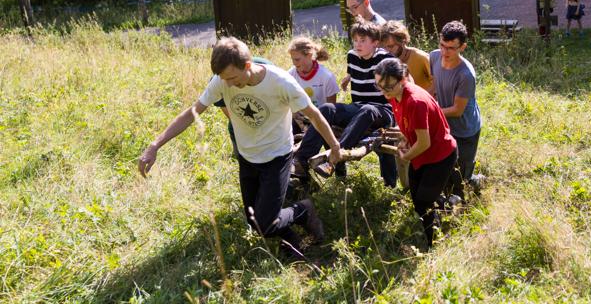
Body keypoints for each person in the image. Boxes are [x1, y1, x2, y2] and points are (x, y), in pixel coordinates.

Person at [137, 37, 342, 258]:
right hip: (247, 157)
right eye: (224, 79)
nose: (227, 85)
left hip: (276, 157)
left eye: (232, 78)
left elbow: (315, 115)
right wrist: (155, 145)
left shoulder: (281, 82)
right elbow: (192, 113)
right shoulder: (222, 81)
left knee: (264, 223)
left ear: (247, 65)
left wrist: (334, 146)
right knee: (254, 220)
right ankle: (294, 241)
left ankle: (303, 210)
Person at [296, 21, 397, 187]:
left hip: (383, 110)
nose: (358, 44)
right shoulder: (352, 55)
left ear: (375, 42)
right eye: (355, 40)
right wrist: (348, 78)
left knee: (368, 109)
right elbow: (354, 72)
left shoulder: (386, 59)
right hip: (359, 107)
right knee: (326, 108)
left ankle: (335, 157)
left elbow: (402, 81)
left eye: (363, 40)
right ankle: (301, 160)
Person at [374, 58, 457, 248]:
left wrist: (406, 156)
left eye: (388, 86)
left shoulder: (415, 101)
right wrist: (405, 139)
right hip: (421, 154)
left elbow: (425, 142)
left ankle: (434, 245)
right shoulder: (394, 95)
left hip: (439, 155)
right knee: (417, 196)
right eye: (379, 86)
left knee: (423, 203)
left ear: (403, 80)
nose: (383, 91)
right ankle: (449, 205)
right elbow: (408, 125)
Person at [430, 21, 482, 190]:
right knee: (445, 172)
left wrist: (431, 112)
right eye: (442, 45)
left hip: (465, 129)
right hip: (445, 125)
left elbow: (457, 110)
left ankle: (477, 182)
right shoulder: (434, 56)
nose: (445, 52)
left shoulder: (466, 74)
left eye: (451, 48)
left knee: (461, 178)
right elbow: (434, 85)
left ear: (462, 47)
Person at [380, 20, 433, 92]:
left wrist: (423, 96)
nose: (387, 51)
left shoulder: (420, 57)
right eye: (384, 47)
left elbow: (437, 81)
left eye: (391, 46)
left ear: (403, 41)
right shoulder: (384, 59)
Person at [287, 37, 339, 107]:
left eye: (297, 59)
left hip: (322, 114)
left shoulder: (327, 77)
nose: (294, 63)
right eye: (292, 59)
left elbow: (332, 109)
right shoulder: (290, 76)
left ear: (309, 55)